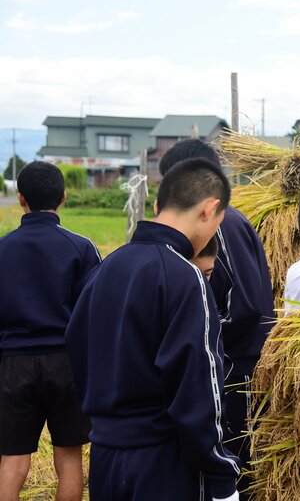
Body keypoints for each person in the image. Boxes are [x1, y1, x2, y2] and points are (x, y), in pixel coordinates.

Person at [65, 159, 241, 500]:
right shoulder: (185, 277)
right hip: (161, 461)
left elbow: (75, 347)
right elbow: (199, 386)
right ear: (210, 209)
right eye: (217, 223)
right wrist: (221, 475)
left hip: (105, 457)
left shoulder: (107, 268)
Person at [159, 139, 275, 499]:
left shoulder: (221, 227)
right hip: (228, 361)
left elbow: (246, 305)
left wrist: (193, 331)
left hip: (234, 368)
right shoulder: (221, 223)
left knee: (235, 460)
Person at [0, 162, 100, 500]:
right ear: (63, 197)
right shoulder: (81, 247)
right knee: (69, 458)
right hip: (66, 362)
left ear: (21, 198)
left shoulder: (3, 248)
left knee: (12, 461)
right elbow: (93, 313)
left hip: (13, 363)